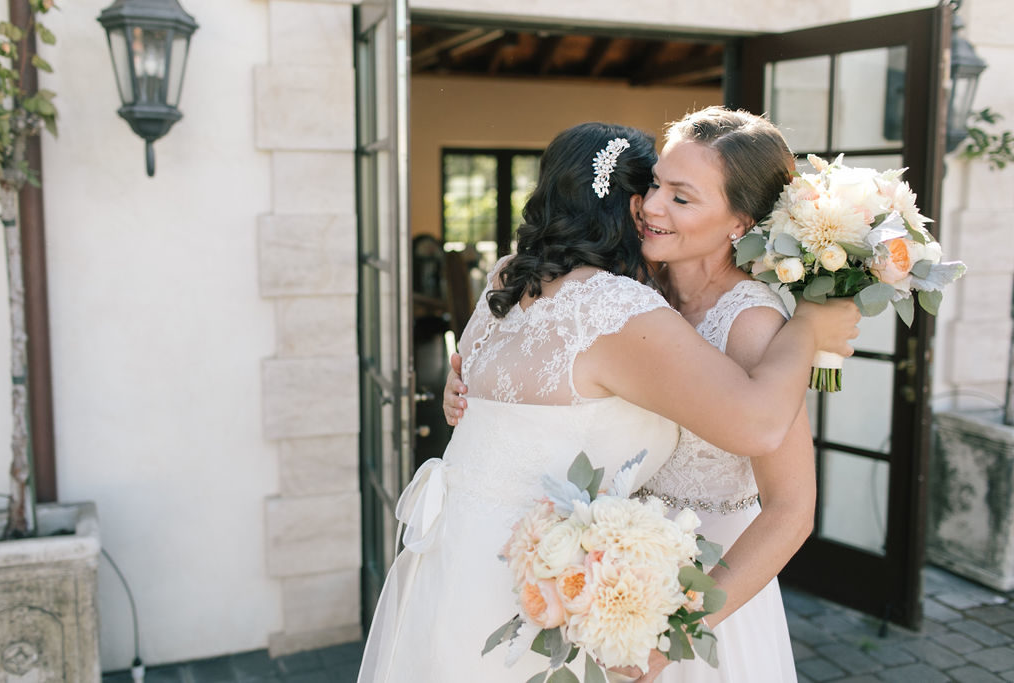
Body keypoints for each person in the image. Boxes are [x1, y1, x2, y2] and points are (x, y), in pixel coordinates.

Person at [359, 121, 859, 683]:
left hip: (699, 596)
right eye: (652, 186)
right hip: (585, 582)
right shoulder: (632, 292)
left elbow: (791, 505)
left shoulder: (752, 324)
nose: (649, 206)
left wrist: (678, 630)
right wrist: (476, 383)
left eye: (680, 196)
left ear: (741, 221)